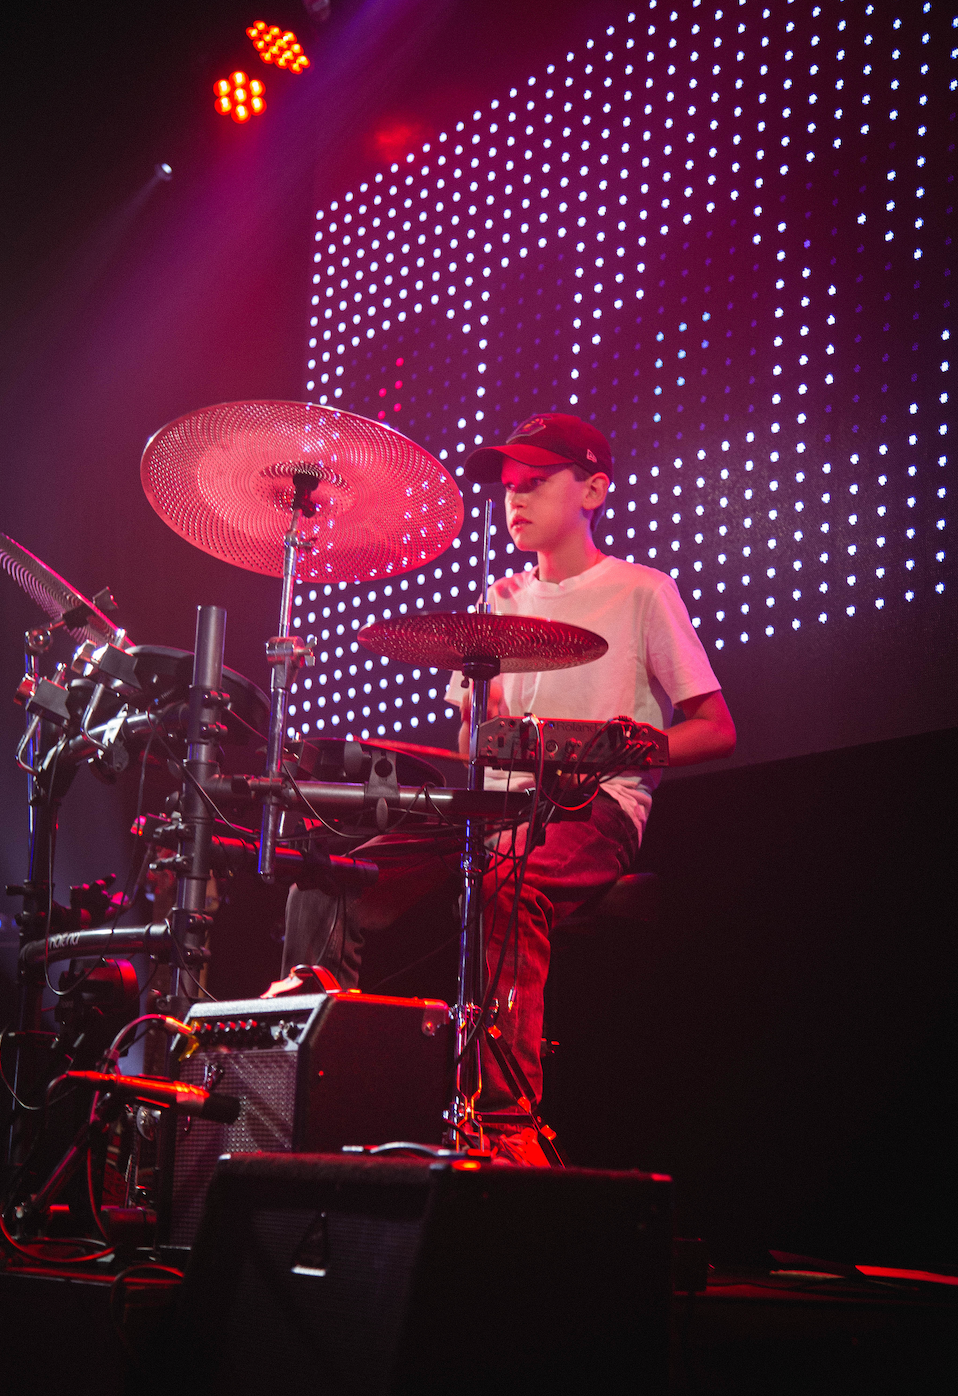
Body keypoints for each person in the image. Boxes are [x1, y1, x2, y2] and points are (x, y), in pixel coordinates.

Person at [280, 412, 735, 1162]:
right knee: (332, 873)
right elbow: (470, 746)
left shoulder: (642, 592)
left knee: (503, 872)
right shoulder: (500, 601)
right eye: (508, 489)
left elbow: (715, 727)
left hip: (595, 809)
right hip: (495, 807)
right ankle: (306, 1086)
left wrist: (618, 745)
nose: (514, 500)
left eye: (536, 484)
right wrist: (487, 723)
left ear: (594, 489)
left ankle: (504, 1120)